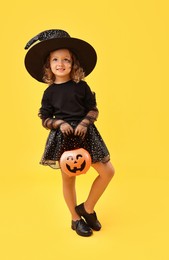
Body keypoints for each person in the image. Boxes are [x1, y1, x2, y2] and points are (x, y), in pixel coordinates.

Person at [24, 29, 115, 237]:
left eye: (66, 59)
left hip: (85, 134)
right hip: (63, 139)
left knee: (107, 171)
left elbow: (93, 109)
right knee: (68, 180)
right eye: (55, 59)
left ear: (73, 64)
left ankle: (87, 208)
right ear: (48, 65)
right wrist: (57, 124)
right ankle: (75, 218)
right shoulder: (49, 93)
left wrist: (84, 123)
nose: (61, 63)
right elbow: (44, 118)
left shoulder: (81, 86)